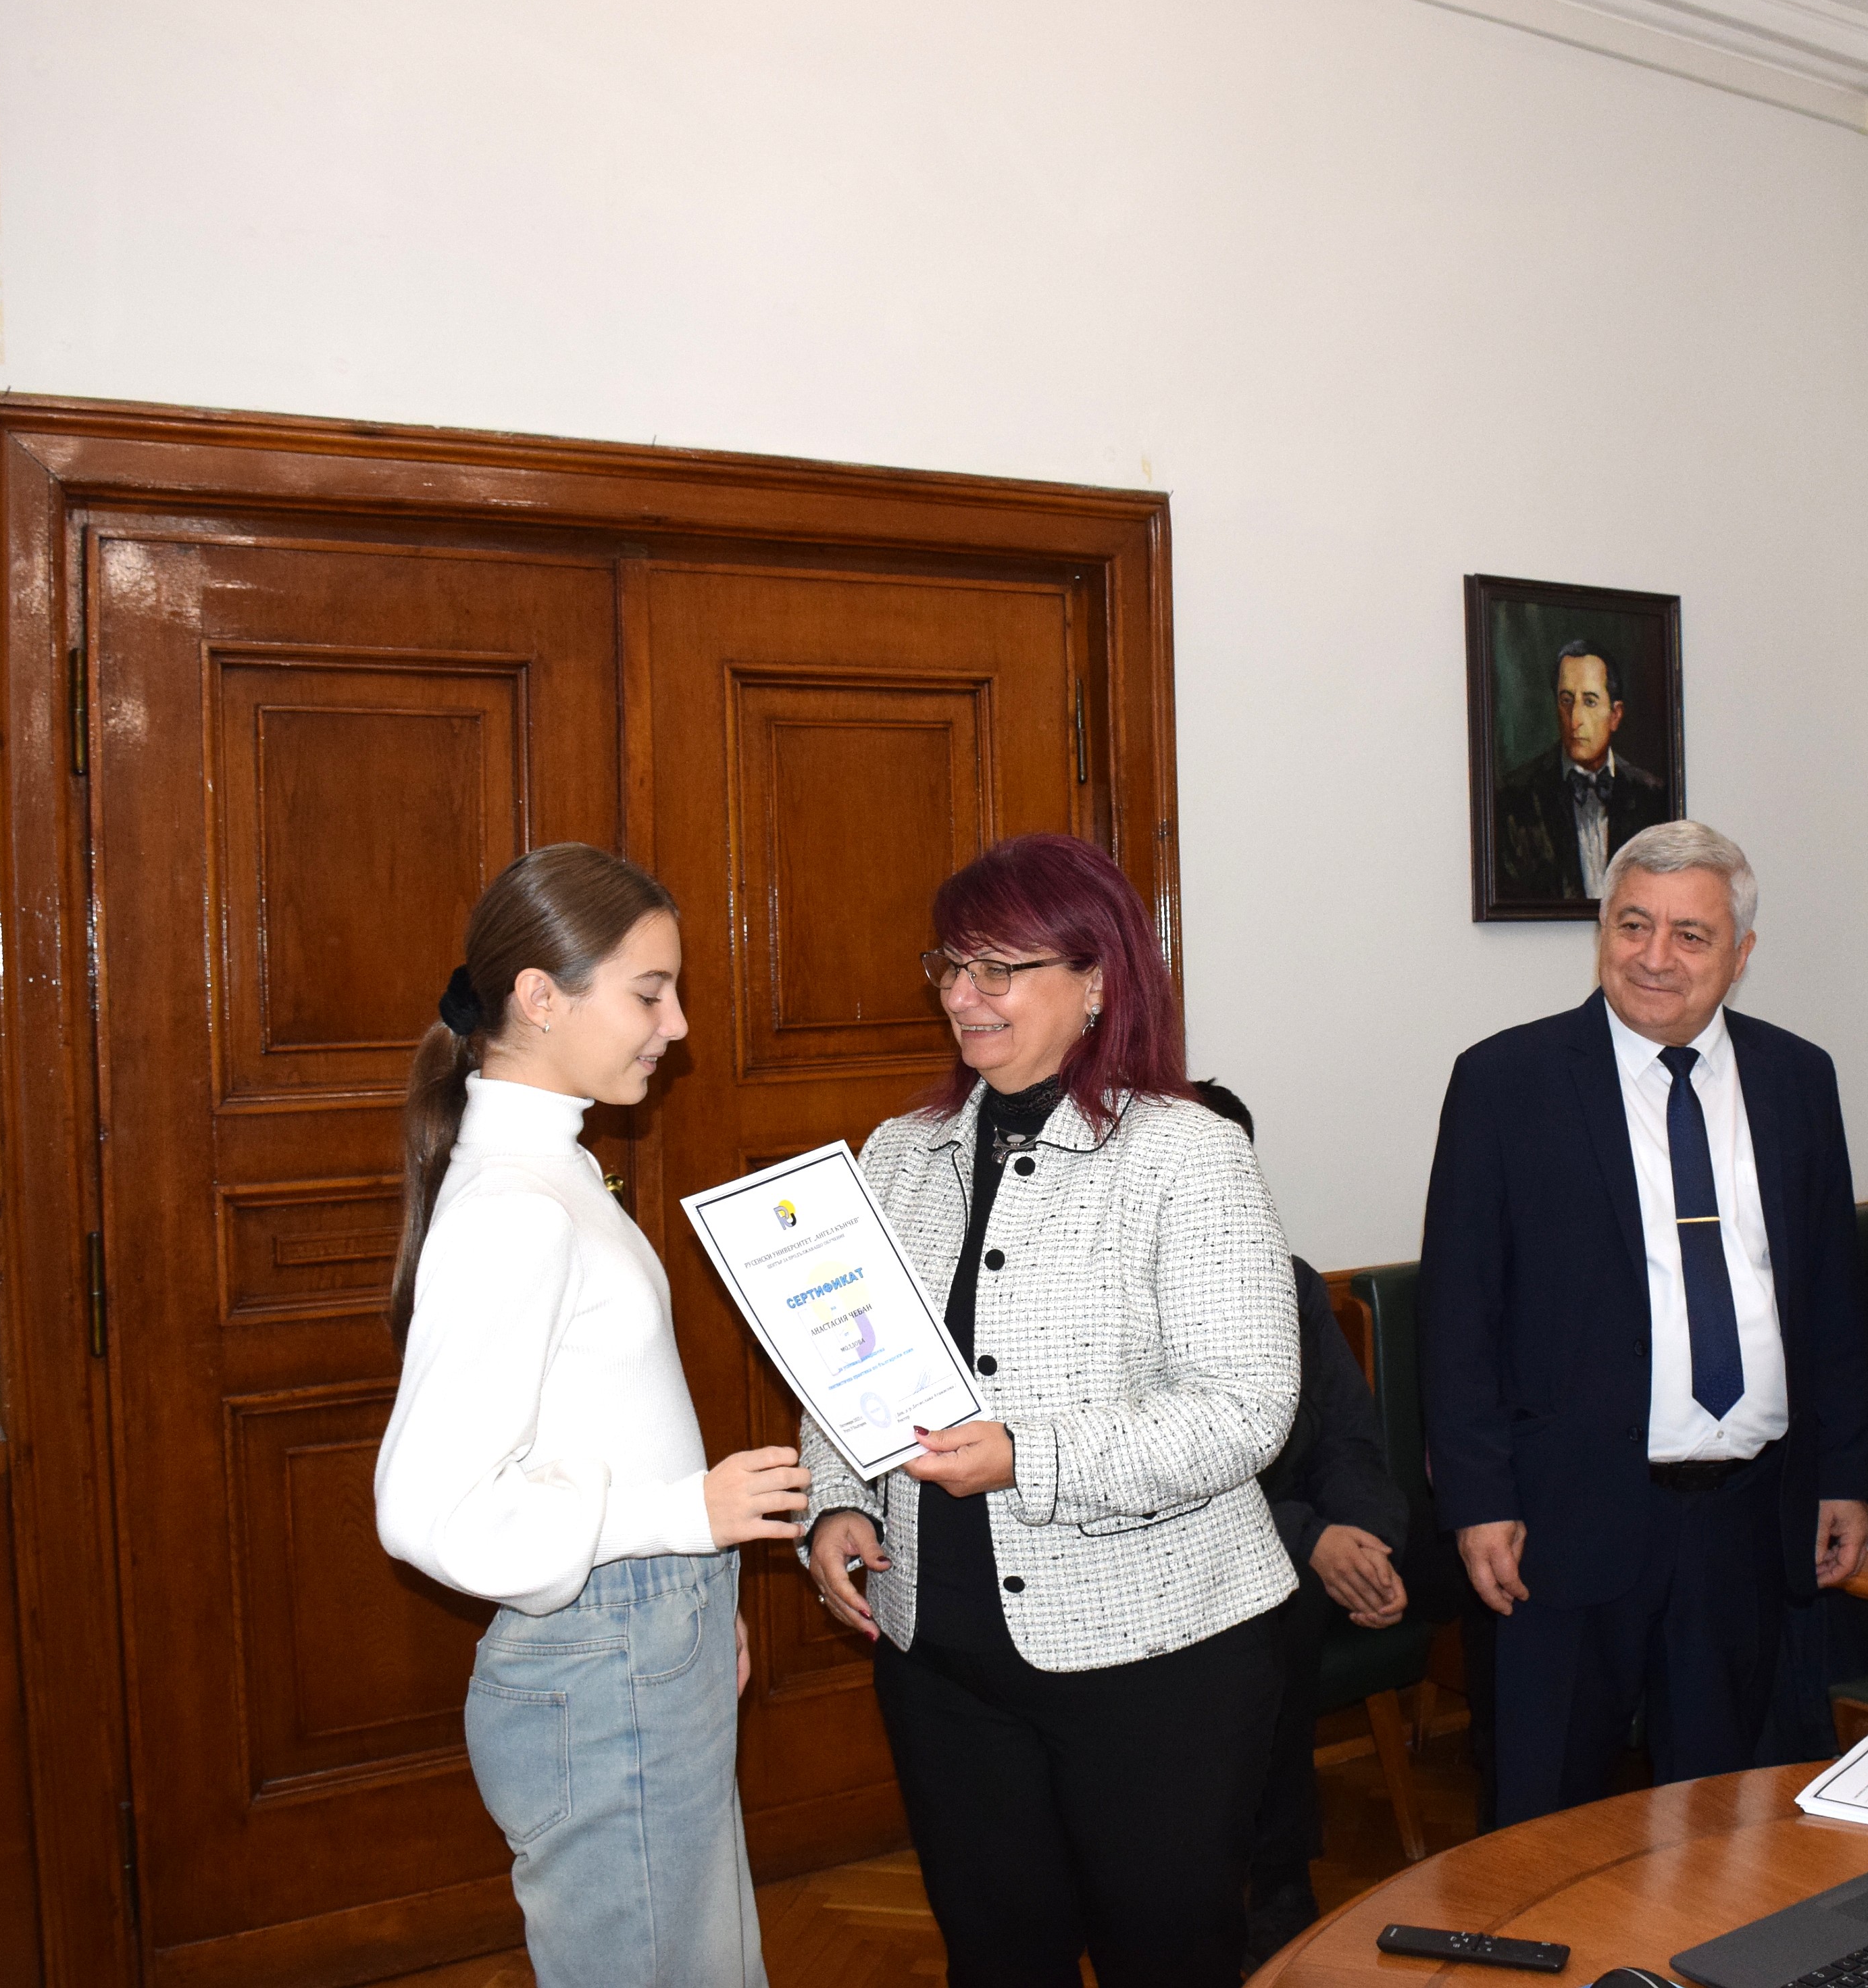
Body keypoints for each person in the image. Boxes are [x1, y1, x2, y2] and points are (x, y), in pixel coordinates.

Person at [797, 834, 1300, 1988]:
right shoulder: (902, 1154)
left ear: (1098, 981)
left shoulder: (1188, 1155)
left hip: (1159, 1654)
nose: (962, 997)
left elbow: (1245, 1409)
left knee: (1164, 1958)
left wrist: (1032, 1455)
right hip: (939, 1651)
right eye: (950, 966)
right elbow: (846, 1369)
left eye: (999, 969)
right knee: (996, 1957)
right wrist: (833, 1502)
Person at [373, 845, 809, 1988]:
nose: (677, 1026)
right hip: (607, 1660)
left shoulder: (556, 1172)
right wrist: (681, 1520)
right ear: (540, 996)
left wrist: (693, 1592)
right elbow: (428, 1514)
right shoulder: (514, 1208)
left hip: (644, 1639)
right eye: (650, 993)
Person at [1421, 818, 1868, 1823]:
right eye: (1633, 925)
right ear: (1603, 932)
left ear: (1740, 955)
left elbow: (1829, 1298)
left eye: (1690, 935)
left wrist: (1843, 1473)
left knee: (1724, 1822)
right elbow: (1459, 1315)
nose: (1654, 957)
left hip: (1747, 1519)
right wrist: (1476, 1499)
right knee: (1544, 1819)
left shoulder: (1798, 1079)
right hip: (1563, 1517)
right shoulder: (1506, 1082)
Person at [1186, 1078, 1412, 1968]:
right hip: (1195, 1555)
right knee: (1273, 1601)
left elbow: (1351, 1437)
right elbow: (1181, 1480)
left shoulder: (1291, 1285)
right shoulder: (1124, 1301)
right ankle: (1273, 1879)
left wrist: (1368, 1541)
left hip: (1307, 1536)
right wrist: (1308, 1539)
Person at [1492, 638, 1671, 902]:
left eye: (1589, 702)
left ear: (1615, 715)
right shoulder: (1514, 799)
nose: (1575, 720)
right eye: (1566, 700)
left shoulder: (1653, 796)